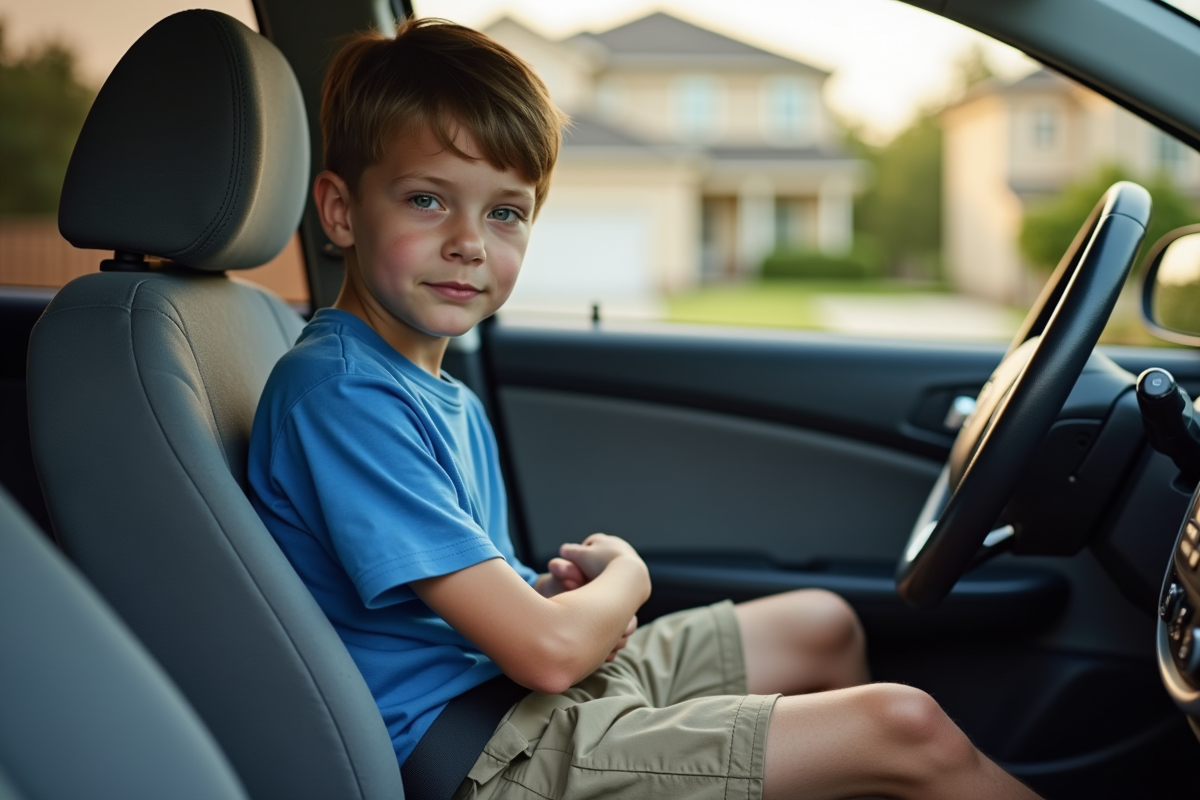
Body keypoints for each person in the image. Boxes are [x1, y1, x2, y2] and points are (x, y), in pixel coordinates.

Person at [247, 18, 1041, 800]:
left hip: (515, 701)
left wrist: (560, 598)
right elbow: (548, 654)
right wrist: (624, 582)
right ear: (341, 211)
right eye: (427, 200)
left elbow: (500, 609)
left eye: (505, 212)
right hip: (482, 758)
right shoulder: (343, 396)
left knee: (821, 624)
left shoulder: (437, 392)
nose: (470, 243)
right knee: (904, 726)